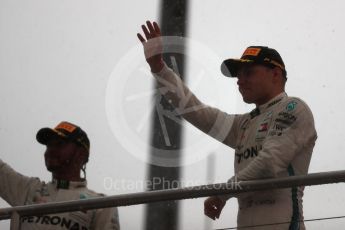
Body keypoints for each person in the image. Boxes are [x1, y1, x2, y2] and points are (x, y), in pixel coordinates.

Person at [137, 20, 317, 230]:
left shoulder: (293, 108)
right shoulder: (244, 123)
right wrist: (158, 67)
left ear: (275, 74)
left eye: (248, 72)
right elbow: (195, 111)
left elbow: (269, 164)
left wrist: (222, 193)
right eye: (238, 75)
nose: (239, 80)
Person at [0, 121, 120, 230]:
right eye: (49, 145)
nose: (50, 150)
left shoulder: (101, 205)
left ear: (81, 154)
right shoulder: (29, 189)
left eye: (59, 144)